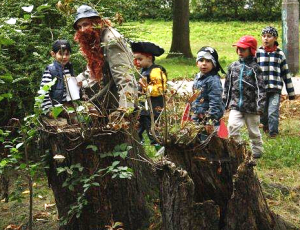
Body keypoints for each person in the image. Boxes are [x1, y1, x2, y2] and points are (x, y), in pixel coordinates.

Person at [73, 5, 138, 119]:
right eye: (79, 26)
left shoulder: (111, 41)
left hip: (119, 103)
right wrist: (74, 82)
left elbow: (125, 77)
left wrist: (125, 111)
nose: (82, 30)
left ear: (97, 22)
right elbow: (92, 70)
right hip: (107, 101)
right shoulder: (95, 40)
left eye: (85, 24)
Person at [223, 35, 266, 159]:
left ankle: (257, 150)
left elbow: (261, 89)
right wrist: (225, 102)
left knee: (253, 130)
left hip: (252, 107)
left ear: (251, 50)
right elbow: (228, 86)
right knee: (232, 126)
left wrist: (260, 106)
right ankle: (237, 148)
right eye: (238, 49)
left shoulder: (255, 68)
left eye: (243, 49)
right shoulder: (233, 67)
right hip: (236, 105)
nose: (240, 51)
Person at [256, 26, 295, 138]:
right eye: (263, 36)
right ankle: (265, 127)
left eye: (269, 36)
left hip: (275, 89)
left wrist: (291, 93)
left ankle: (273, 133)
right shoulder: (258, 53)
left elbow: (286, 73)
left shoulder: (279, 54)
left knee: (273, 112)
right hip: (261, 90)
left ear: (275, 38)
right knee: (262, 113)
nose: (266, 39)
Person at [130, 41, 167, 147]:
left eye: (140, 59)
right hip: (143, 108)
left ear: (149, 58)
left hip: (153, 108)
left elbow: (160, 88)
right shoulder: (144, 70)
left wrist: (146, 89)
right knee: (137, 128)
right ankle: (137, 145)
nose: (137, 62)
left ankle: (159, 148)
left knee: (152, 130)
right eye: (136, 59)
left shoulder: (155, 71)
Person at [191, 46, 225, 139]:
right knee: (196, 141)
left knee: (208, 142)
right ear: (197, 63)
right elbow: (195, 98)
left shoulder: (213, 80)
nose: (204, 64)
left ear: (214, 64)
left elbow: (215, 102)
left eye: (208, 61)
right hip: (198, 116)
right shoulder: (198, 77)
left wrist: (210, 121)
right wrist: (193, 114)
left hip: (209, 119)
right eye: (201, 60)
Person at [39, 39, 79, 118]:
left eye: (67, 54)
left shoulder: (69, 68)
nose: (64, 57)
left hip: (68, 102)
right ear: (53, 54)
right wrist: (48, 110)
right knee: (73, 116)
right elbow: (44, 91)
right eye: (61, 54)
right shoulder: (51, 70)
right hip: (56, 105)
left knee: (88, 110)